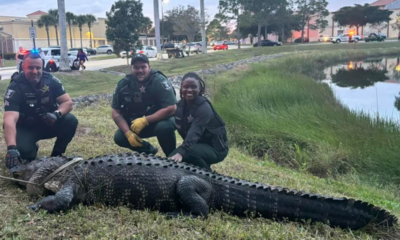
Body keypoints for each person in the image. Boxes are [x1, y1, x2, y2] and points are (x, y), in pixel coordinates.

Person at [3, 52, 78, 170]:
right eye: (30, 67)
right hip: (25, 127)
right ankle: (30, 148)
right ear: (23, 67)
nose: (34, 71)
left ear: (42, 67)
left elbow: (67, 102)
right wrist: (11, 148)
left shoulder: (51, 80)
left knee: (70, 120)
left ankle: (56, 155)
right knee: (24, 154)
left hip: (46, 122)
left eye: (38, 68)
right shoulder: (16, 86)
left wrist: (56, 114)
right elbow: (9, 119)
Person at [111, 53, 177, 156]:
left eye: (143, 67)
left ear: (149, 68)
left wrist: (145, 120)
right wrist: (128, 133)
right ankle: (149, 150)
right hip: (135, 123)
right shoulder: (123, 84)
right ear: (131, 68)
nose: (140, 70)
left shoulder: (159, 81)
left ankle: (172, 156)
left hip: (159, 120)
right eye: (136, 67)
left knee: (165, 127)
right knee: (120, 136)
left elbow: (172, 108)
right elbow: (115, 111)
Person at [169, 72, 229, 170]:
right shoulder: (181, 105)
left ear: (200, 89)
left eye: (193, 87)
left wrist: (181, 152)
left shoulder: (204, 108)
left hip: (216, 149)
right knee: (172, 156)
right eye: (186, 87)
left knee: (188, 153)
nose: (189, 90)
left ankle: (208, 176)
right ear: (181, 88)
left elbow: (195, 131)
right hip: (197, 145)